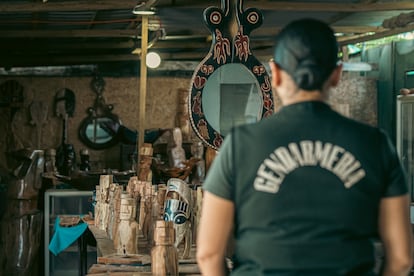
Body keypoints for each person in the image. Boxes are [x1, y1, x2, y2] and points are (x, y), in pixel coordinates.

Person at [196, 18, 413, 276]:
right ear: (336, 74)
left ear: (275, 74)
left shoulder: (239, 144)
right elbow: (400, 259)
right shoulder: (375, 144)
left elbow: (209, 254)